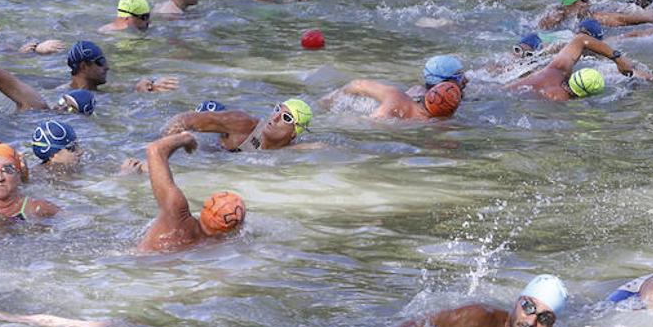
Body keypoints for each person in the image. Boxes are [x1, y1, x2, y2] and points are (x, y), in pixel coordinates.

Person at [0, 40, 174, 121]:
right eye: (100, 61)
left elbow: (132, 87)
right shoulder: (41, 104)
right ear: (84, 66)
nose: (107, 66)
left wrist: (146, 84)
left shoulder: (105, 91)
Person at [137, 132, 247, 252]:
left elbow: (155, 149)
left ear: (206, 206)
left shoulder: (176, 213)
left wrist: (185, 139)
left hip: (134, 258)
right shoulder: (217, 246)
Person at [400, 274, 568, 327]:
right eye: (529, 307)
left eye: (544, 318)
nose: (531, 322)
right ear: (517, 301)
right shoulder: (476, 318)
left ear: (551, 325)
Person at [508, 33, 653, 101]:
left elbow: (581, 39)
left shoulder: (557, 71)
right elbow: (581, 39)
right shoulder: (559, 98)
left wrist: (619, 60)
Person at [162, 99, 313, 152]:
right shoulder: (244, 124)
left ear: (294, 133)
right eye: (277, 109)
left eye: (286, 117)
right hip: (210, 146)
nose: (275, 117)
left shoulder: (291, 149)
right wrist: (164, 146)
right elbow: (185, 119)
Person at [328, 79, 462, 121]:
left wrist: (330, 99)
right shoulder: (438, 124)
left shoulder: (396, 95)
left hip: (358, 119)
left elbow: (358, 84)